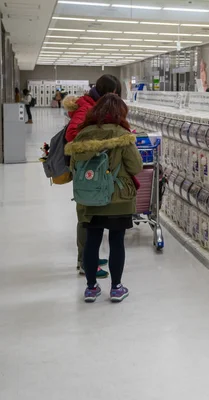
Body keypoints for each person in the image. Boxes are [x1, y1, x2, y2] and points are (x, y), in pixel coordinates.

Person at [65, 94, 143, 303]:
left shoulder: (82, 135)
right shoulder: (122, 135)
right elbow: (136, 167)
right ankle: (116, 288)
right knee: (117, 241)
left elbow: (73, 166)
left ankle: (91, 288)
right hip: (118, 198)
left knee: (92, 241)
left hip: (90, 197)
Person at [64, 74, 122, 278]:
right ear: (106, 92)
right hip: (86, 170)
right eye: (114, 94)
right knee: (86, 216)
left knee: (90, 216)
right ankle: (84, 262)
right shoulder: (86, 107)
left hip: (92, 169)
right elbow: (72, 135)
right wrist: (98, 139)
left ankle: (91, 258)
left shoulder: (92, 104)